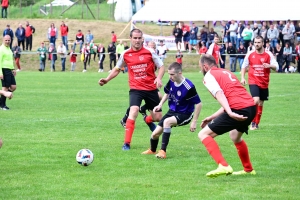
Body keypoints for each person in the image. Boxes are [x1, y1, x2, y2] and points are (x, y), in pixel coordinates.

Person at [99, 28, 165, 150]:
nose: (137, 40)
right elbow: (117, 69)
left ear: (142, 39)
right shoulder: (126, 54)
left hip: (151, 88)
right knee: (133, 111)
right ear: (130, 39)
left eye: (139, 38)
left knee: (158, 118)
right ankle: (126, 143)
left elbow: (161, 66)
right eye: (135, 38)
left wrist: (159, 78)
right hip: (136, 89)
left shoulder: (149, 52)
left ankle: (147, 119)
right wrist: (107, 79)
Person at [198, 54, 257, 178]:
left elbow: (220, 94)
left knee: (203, 134)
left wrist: (229, 112)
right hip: (251, 107)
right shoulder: (225, 72)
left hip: (238, 108)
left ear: (205, 66)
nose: (200, 70)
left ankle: (223, 165)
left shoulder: (209, 76)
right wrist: (212, 117)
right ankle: (248, 169)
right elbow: (231, 97)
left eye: (200, 67)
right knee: (235, 136)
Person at [141, 62, 202, 158]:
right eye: (169, 74)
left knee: (167, 122)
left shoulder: (188, 86)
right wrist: (160, 105)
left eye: (172, 74)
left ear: (180, 73)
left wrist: (194, 121)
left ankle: (162, 152)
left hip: (185, 113)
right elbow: (167, 93)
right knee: (155, 134)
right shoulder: (171, 81)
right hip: (172, 111)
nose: (170, 77)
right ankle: (152, 150)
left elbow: (199, 103)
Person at [241, 36, 279, 130]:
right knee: (256, 100)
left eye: (258, 42)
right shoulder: (250, 54)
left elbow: (277, 67)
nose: (256, 44)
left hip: (264, 82)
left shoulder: (268, 54)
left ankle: (256, 123)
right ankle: (252, 122)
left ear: (263, 43)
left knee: (261, 103)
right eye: (255, 42)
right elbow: (244, 66)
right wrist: (242, 77)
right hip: (253, 80)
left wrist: (269, 66)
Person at [0, 35, 16, 110]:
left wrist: (13, 69)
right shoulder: (1, 49)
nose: (7, 41)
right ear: (3, 40)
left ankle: (1, 102)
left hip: (9, 70)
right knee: (5, 88)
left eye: (8, 40)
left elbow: (10, 60)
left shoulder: (9, 49)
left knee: (13, 87)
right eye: (6, 40)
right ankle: (3, 105)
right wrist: (0, 73)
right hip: (4, 70)